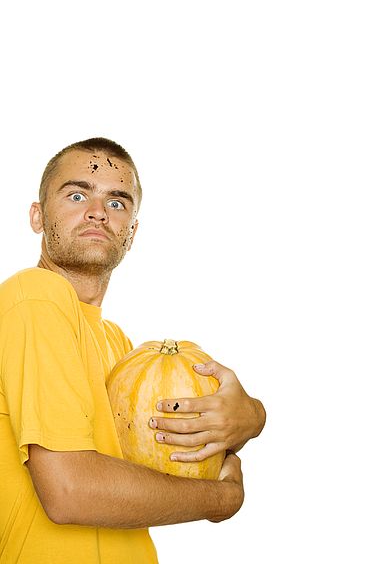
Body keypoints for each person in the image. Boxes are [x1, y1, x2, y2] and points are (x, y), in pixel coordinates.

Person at [0, 137, 266, 563]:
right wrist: (222, 499)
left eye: (117, 203)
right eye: (76, 195)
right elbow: (69, 491)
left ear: (132, 232)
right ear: (36, 215)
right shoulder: (35, 298)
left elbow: (159, 468)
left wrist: (248, 417)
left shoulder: (118, 344)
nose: (97, 212)